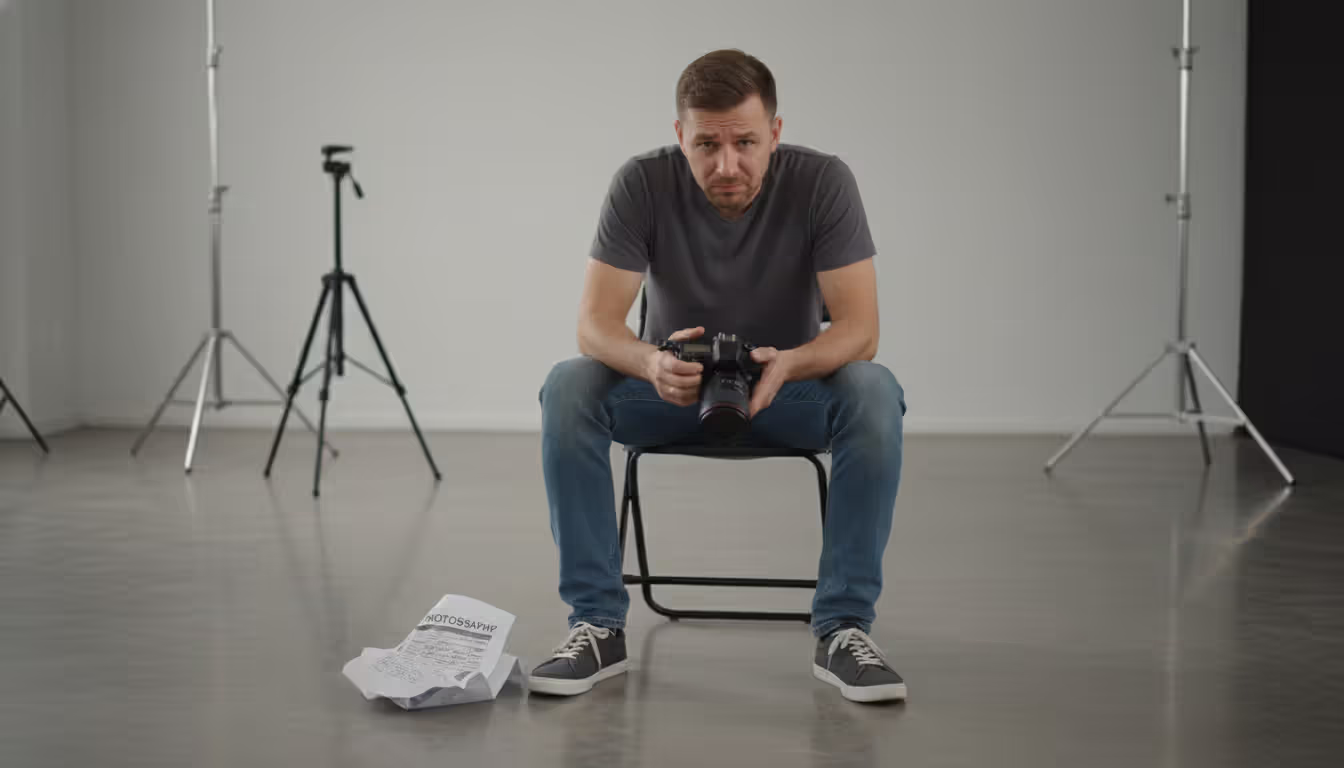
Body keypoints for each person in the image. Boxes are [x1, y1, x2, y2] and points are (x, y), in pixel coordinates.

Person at [528, 49, 907, 704]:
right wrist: (651, 362)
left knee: (874, 390)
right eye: (706, 144)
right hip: (671, 392)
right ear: (680, 136)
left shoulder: (824, 183)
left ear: (776, 133)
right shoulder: (641, 183)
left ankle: (845, 628)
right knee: (568, 385)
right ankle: (596, 625)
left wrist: (790, 362)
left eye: (746, 142)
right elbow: (593, 325)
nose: (727, 165)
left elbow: (860, 332)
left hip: (786, 390)